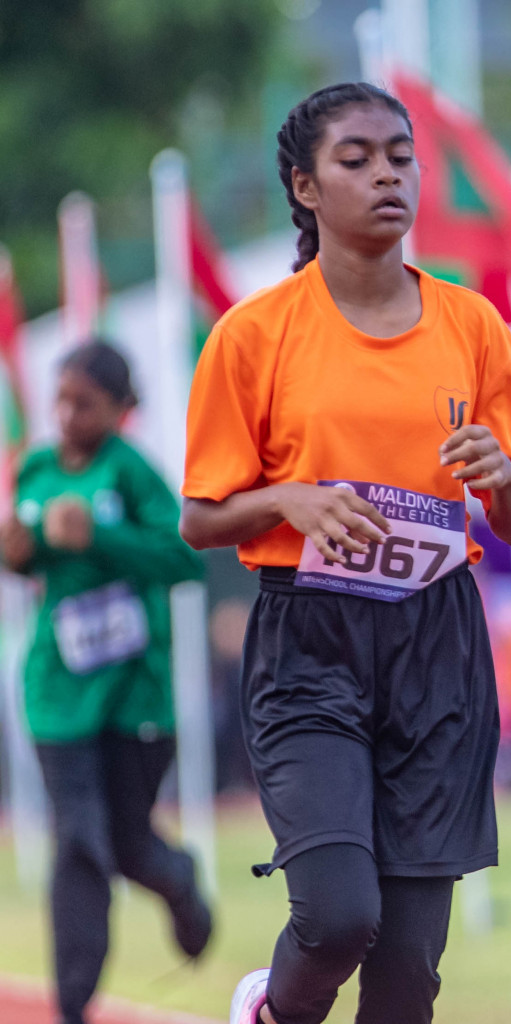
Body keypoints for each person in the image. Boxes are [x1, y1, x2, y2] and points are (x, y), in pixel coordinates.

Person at [177, 82, 511, 1024]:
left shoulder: (471, 327)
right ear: (306, 187)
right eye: (357, 159)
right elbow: (199, 516)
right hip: (309, 640)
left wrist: (498, 473)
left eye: (400, 155)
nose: (387, 174)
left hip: (438, 640)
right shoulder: (253, 334)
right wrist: (288, 499)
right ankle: (275, 1007)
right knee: (341, 916)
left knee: (408, 969)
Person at [0, 341, 211, 1024]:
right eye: (61, 400)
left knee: (128, 845)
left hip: (135, 699)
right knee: (80, 839)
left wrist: (97, 536)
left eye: (84, 405)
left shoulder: (134, 475)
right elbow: (23, 555)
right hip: (58, 695)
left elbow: (185, 561)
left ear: (122, 410)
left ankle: (178, 882)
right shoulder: (34, 466)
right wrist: (15, 551)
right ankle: (73, 1004)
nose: (67, 415)